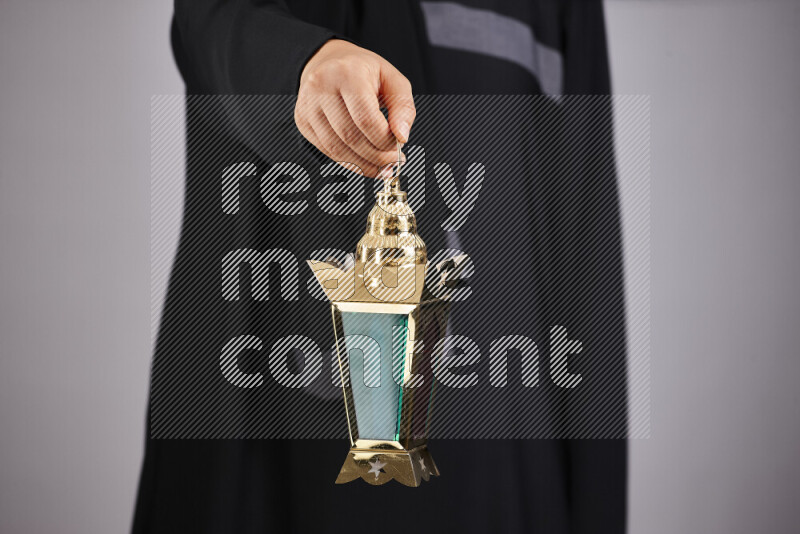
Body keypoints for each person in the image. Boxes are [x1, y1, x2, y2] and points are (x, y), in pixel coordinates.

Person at [134, 1, 628, 532]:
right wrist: (302, 63)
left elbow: (585, 249)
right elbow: (208, 26)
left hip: (498, 442)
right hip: (263, 428)